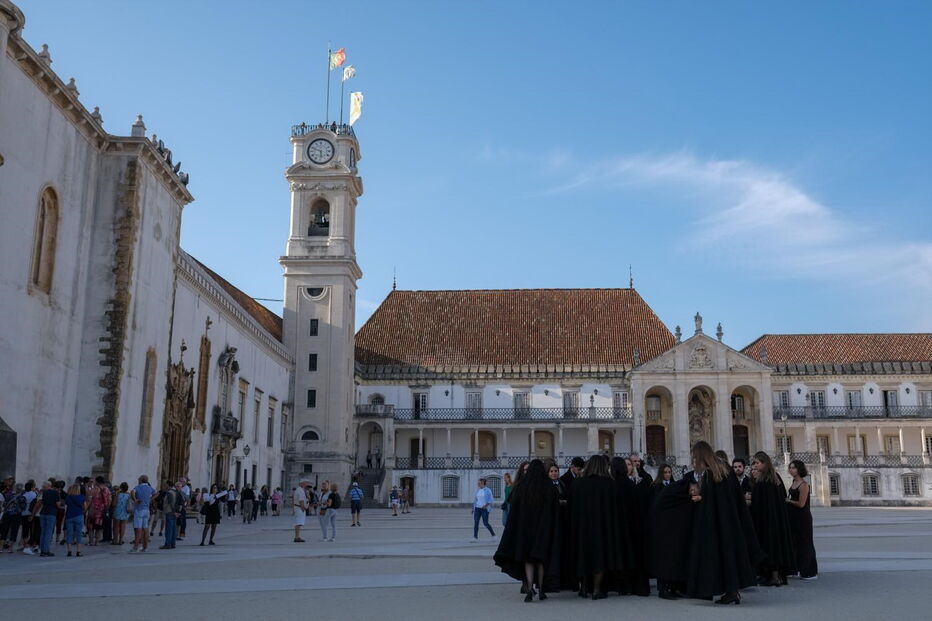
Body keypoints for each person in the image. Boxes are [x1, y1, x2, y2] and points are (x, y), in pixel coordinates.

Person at [685, 441, 760, 604]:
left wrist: (700, 498)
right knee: (729, 555)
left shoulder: (712, 473)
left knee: (719, 555)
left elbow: (712, 500)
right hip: (730, 520)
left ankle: (728, 591)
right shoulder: (724, 469)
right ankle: (731, 591)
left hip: (717, 523)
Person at [494, 459, 560, 602]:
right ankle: (541, 589)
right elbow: (554, 510)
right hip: (543, 529)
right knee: (540, 560)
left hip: (525, 530)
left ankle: (530, 588)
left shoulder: (522, 486)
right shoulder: (548, 486)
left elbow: (514, 511)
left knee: (528, 560)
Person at [574, 455, 627, 599]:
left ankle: (584, 587)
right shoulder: (609, 483)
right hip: (603, 527)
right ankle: (597, 589)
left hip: (584, 526)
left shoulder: (580, 483)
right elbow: (614, 508)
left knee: (584, 556)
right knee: (600, 558)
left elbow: (574, 507)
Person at [750, 451, 796, 586]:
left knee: (769, 546)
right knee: (775, 546)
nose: (756, 466)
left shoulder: (764, 479)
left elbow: (759, 502)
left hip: (766, 520)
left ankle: (774, 577)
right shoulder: (775, 478)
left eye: (758, 463)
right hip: (776, 519)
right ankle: (776, 576)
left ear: (765, 463)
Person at [786, 460, 818, 580]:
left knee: (806, 543)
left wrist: (788, 501)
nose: (791, 470)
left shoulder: (804, 484)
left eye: (793, 468)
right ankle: (797, 569)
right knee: (795, 543)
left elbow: (801, 504)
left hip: (803, 517)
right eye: (790, 468)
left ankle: (810, 571)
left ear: (799, 469)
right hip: (794, 517)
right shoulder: (794, 482)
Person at [36, 480, 63, 557]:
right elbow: (58, 504)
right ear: (50, 485)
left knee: (43, 532)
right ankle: (46, 551)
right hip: (51, 514)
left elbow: (41, 502)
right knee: (48, 533)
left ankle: (42, 550)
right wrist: (61, 506)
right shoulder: (55, 493)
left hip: (43, 513)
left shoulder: (43, 493)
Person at [130, 475, 155, 553]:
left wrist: (135, 499)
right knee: (146, 528)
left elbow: (132, 492)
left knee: (138, 529)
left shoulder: (138, 487)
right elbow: (156, 493)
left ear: (141, 480)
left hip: (139, 509)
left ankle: (136, 546)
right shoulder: (149, 488)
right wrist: (150, 499)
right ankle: (145, 547)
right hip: (146, 510)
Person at [63, 482, 86, 557]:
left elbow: (65, 504)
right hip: (79, 516)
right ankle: (78, 552)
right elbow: (84, 507)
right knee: (78, 534)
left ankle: (69, 551)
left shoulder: (68, 497)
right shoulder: (82, 497)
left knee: (69, 534)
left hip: (69, 516)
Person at [0, 483, 24, 553]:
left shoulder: (8, 495)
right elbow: (23, 507)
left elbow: (4, 504)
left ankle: (0, 548)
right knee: (14, 531)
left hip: (7, 514)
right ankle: (10, 549)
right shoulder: (22, 497)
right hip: (16, 515)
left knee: (4, 530)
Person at [160, 480, 183, 550]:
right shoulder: (178, 492)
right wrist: (178, 512)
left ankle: (167, 544)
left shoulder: (170, 492)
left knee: (169, 529)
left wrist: (174, 512)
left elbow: (171, 503)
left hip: (170, 512)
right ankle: (173, 543)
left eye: (165, 485)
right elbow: (181, 502)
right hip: (175, 512)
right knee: (173, 529)